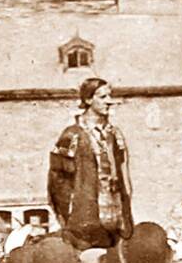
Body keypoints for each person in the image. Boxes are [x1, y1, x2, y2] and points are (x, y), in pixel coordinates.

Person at [47, 77, 134, 251]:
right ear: (88, 100)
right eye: (102, 97)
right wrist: (69, 218)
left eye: (110, 96)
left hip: (116, 220)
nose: (109, 102)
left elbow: (124, 174)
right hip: (85, 223)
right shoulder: (72, 135)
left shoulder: (115, 134)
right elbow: (57, 182)